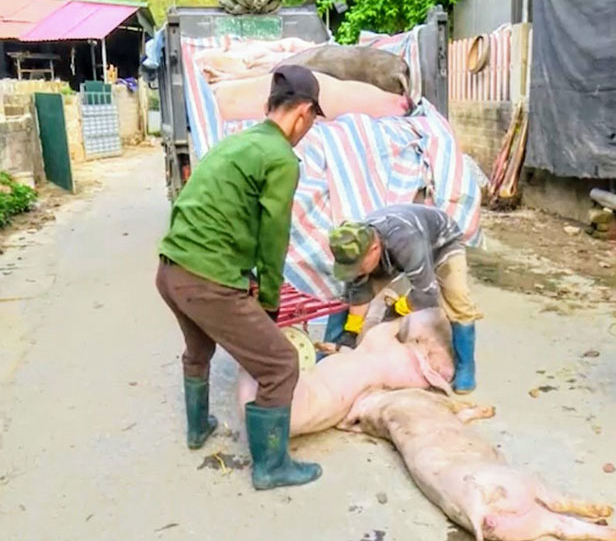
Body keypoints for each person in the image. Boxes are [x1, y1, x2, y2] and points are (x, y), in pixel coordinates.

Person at [156, 65, 324, 490]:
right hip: (205, 279)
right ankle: (271, 467)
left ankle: (198, 428)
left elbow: (219, 212)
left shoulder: (239, 143)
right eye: (311, 121)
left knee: (198, 348)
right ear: (303, 113)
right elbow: (273, 235)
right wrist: (268, 300)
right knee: (280, 364)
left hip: (171, 268)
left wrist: (239, 274)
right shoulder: (280, 157)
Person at [328, 204, 482, 393]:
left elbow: (427, 293)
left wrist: (397, 309)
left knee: (457, 298)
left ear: (374, 249)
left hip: (442, 242)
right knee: (354, 288)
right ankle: (333, 352)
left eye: (358, 266)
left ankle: (466, 367)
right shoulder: (355, 244)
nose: (356, 271)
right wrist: (351, 332)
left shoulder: (405, 240)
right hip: (393, 250)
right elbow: (359, 292)